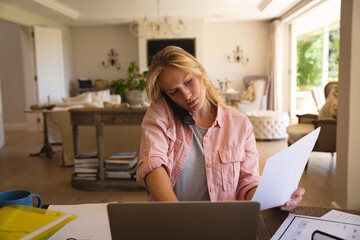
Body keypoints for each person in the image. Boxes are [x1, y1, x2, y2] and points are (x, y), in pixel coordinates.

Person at [136, 46, 304, 211]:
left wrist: (276, 199)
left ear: (199, 72)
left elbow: (248, 184)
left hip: (225, 223)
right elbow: (153, 163)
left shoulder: (240, 124)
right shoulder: (160, 113)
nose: (186, 95)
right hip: (172, 224)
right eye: (174, 92)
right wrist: (179, 217)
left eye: (189, 82)